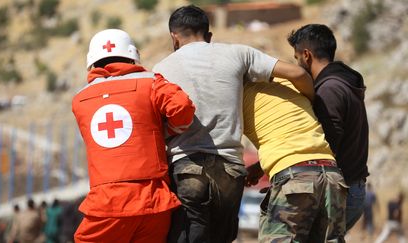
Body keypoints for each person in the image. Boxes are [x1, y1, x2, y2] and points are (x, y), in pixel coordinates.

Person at [153, 5, 314, 243]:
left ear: (174, 37)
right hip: (230, 170)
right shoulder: (238, 53)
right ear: (208, 35)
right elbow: (298, 74)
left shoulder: (161, 69)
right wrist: (311, 105)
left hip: (187, 168)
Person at [72, 29, 195, 243]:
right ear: (132, 56)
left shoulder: (79, 99)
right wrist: (167, 131)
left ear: (91, 62)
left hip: (106, 205)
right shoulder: (151, 83)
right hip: (154, 201)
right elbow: (183, 109)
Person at [244, 78, 347, 242]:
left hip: (295, 178)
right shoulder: (287, 81)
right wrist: (259, 167)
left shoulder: (234, 93)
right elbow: (294, 137)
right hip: (332, 175)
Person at [287, 24, 369, 231]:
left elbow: (326, 146)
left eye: (296, 58)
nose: (297, 64)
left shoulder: (329, 90)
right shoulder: (341, 83)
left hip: (341, 192)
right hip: (351, 189)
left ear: (306, 55)